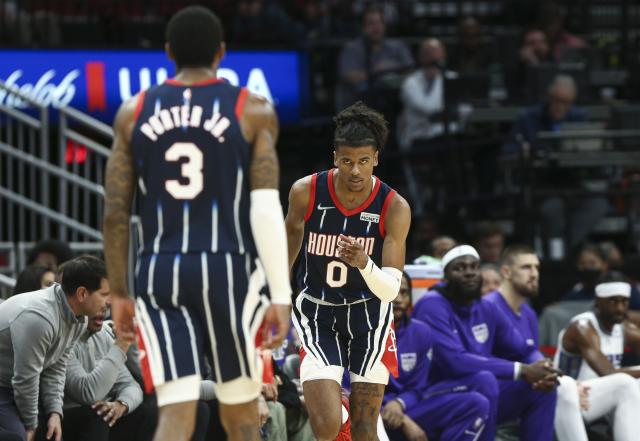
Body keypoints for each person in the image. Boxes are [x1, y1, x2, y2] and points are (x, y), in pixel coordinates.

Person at [103, 6, 291, 441]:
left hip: (159, 270)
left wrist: (119, 291)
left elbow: (116, 212)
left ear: (168, 52)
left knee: (176, 411)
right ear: (221, 52)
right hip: (229, 269)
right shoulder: (254, 109)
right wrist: (279, 293)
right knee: (242, 412)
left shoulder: (133, 112)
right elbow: (264, 206)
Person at [284, 101, 411, 441]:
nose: (355, 171)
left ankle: (350, 412)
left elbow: (390, 291)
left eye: (364, 162)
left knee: (367, 430)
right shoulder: (305, 192)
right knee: (326, 428)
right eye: (347, 162)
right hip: (318, 313)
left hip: (370, 317)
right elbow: (286, 251)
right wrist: (277, 296)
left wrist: (364, 264)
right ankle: (339, 408)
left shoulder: (394, 206)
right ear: (335, 158)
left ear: (376, 160)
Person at [412, 245, 559, 441]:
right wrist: (523, 370)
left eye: (474, 267)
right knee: (485, 379)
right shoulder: (431, 305)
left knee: (542, 389)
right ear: (445, 277)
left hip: (480, 390)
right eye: (460, 268)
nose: (469, 273)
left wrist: (542, 367)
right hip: (433, 392)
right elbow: (455, 362)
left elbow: (524, 349)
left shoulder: (486, 307)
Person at [0, 255, 111, 441]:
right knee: (18, 437)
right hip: (5, 387)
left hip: (16, 387)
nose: (109, 302)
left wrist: (54, 412)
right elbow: (25, 379)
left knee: (64, 426)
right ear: (82, 294)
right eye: (104, 294)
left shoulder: (80, 318)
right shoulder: (39, 317)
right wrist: (31, 425)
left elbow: (56, 367)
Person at [383, 271, 488, 440]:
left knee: (476, 403)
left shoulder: (421, 332)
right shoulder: (358, 332)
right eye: (392, 291)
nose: (398, 299)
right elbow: (348, 390)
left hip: (406, 407)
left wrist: (399, 405)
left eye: (404, 293)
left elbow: (418, 387)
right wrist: (395, 413)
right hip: (368, 413)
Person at [553, 272, 640, 440]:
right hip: (568, 398)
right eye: (613, 301)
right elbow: (607, 373)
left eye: (624, 301)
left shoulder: (622, 328)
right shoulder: (583, 327)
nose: (620, 308)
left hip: (597, 399)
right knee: (624, 383)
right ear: (599, 301)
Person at [62, 309, 143, 441]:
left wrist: (119, 405)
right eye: (99, 298)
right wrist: (121, 344)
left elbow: (131, 385)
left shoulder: (103, 333)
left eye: (106, 300)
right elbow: (87, 393)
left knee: (146, 409)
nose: (103, 308)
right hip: (66, 415)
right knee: (96, 414)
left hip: (100, 415)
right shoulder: (62, 335)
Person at [335, 5, 413, 111]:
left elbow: (411, 71)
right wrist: (376, 71)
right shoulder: (352, 48)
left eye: (380, 22)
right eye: (371, 23)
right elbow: (348, 75)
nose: (377, 27)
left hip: (393, 103)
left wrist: (390, 68)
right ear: (363, 27)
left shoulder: (397, 46)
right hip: (359, 106)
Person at [397, 38, 457, 150]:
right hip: (420, 138)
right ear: (421, 58)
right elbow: (428, 109)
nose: (435, 60)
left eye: (439, 57)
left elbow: (464, 109)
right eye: (430, 56)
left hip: (451, 134)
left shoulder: (453, 78)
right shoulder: (410, 83)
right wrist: (439, 78)